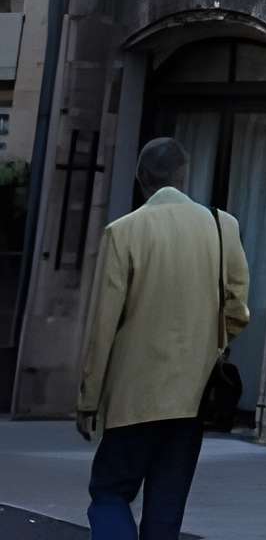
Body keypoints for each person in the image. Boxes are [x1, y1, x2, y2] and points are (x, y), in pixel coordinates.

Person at [76, 135, 250, 540]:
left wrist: (89, 400)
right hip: (190, 396)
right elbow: (238, 306)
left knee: (109, 492)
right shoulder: (222, 226)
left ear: (141, 178)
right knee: (166, 508)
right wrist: (213, 344)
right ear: (184, 175)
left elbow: (103, 325)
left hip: (130, 396)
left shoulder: (124, 232)